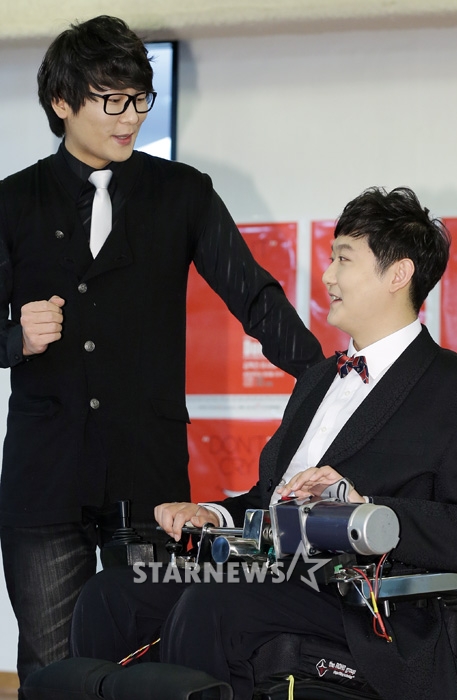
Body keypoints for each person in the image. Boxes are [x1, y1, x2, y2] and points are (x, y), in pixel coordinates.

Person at [0, 14, 322, 693]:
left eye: (139, 99)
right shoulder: (13, 201)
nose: (131, 118)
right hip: (44, 477)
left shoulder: (182, 192)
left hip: (150, 480)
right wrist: (14, 338)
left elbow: (253, 296)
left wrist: (329, 380)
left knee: (153, 665)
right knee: (51, 670)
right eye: (111, 100)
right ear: (62, 101)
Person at [71, 186, 457, 700]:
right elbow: (272, 500)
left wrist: (365, 506)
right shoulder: (318, 380)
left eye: (343, 259)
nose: (327, 276)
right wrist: (215, 514)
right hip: (267, 573)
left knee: (218, 607)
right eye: (331, 258)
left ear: (399, 274)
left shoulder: (453, 388)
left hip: (363, 602)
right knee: (112, 596)